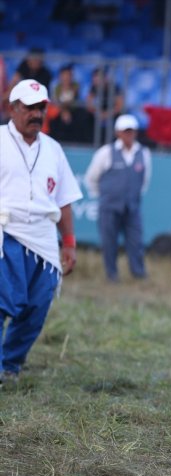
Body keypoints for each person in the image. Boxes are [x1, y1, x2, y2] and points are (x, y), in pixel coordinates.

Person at [0, 79, 82, 385]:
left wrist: (70, 243)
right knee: (2, 302)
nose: (36, 114)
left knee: (36, 307)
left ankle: (10, 365)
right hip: (4, 232)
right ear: (13, 108)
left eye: (41, 108)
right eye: (30, 108)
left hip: (44, 238)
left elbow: (64, 200)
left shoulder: (53, 149)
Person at [84, 114, 151, 282]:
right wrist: (104, 196)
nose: (129, 135)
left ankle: (138, 273)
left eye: (132, 131)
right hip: (109, 206)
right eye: (125, 131)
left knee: (136, 241)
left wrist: (132, 196)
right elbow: (91, 178)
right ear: (118, 133)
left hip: (132, 206)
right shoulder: (106, 153)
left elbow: (144, 180)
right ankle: (112, 275)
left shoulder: (143, 153)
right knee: (109, 242)